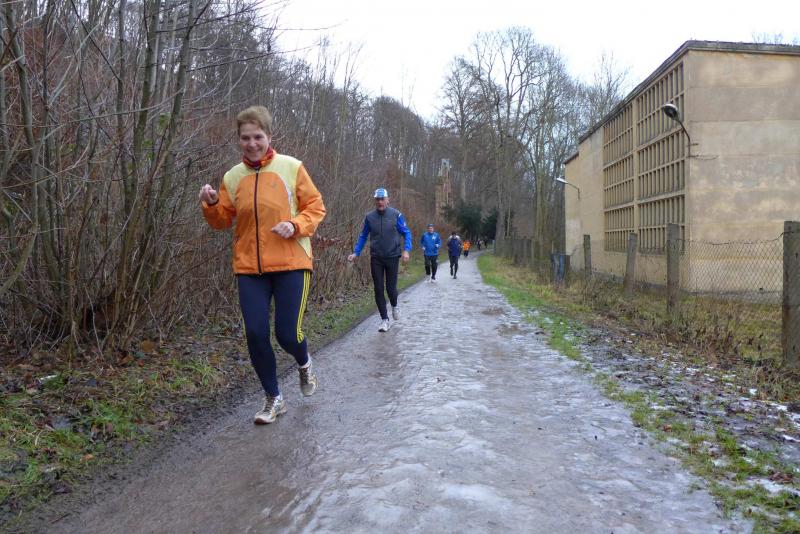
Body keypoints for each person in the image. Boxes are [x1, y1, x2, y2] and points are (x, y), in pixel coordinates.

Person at [199, 106, 326, 425]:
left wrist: (295, 225)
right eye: (245, 138)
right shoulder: (233, 177)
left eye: (258, 136)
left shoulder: (291, 167)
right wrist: (212, 204)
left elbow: (315, 207)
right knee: (255, 334)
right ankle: (274, 398)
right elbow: (222, 221)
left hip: (291, 262)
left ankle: (304, 362)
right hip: (249, 268)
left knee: (287, 333)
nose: (252, 143)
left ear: (269, 136)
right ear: (238, 139)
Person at [347, 188, 412, 332]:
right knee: (378, 288)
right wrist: (356, 252)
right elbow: (363, 236)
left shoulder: (396, 215)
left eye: (382, 199)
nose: (380, 202)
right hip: (376, 257)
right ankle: (384, 320)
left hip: (392, 256)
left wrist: (406, 250)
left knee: (391, 288)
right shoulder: (369, 217)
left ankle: (394, 305)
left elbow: (406, 233)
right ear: (375, 200)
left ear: (388, 200)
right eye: (378, 199)